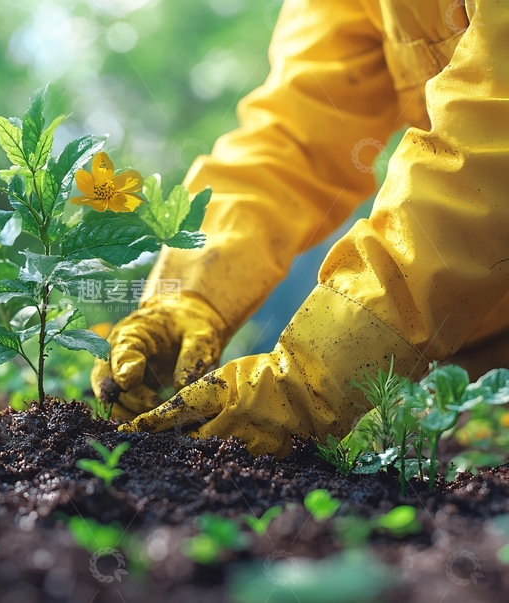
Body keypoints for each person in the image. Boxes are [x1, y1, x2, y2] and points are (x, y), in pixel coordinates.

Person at [91, 0, 509, 458]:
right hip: (474, 336)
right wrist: (193, 298)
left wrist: (310, 382)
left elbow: (485, 160)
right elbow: (293, 139)